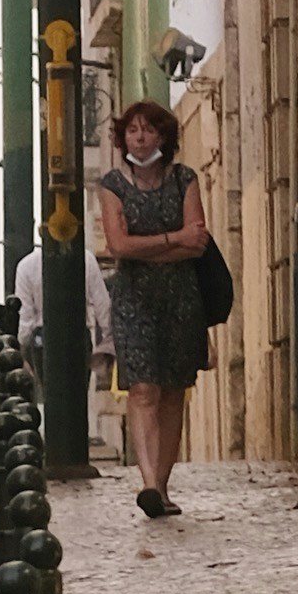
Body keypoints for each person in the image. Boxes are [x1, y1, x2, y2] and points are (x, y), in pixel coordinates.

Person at [93, 92, 213, 519]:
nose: (140, 138)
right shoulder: (112, 186)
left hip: (181, 298)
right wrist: (172, 240)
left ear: (163, 134)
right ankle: (146, 484)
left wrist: (162, 246)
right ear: (123, 139)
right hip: (133, 300)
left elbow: (197, 242)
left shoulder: (185, 179)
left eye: (147, 129)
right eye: (131, 131)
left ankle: (162, 487)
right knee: (143, 388)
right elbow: (119, 246)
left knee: (173, 392)